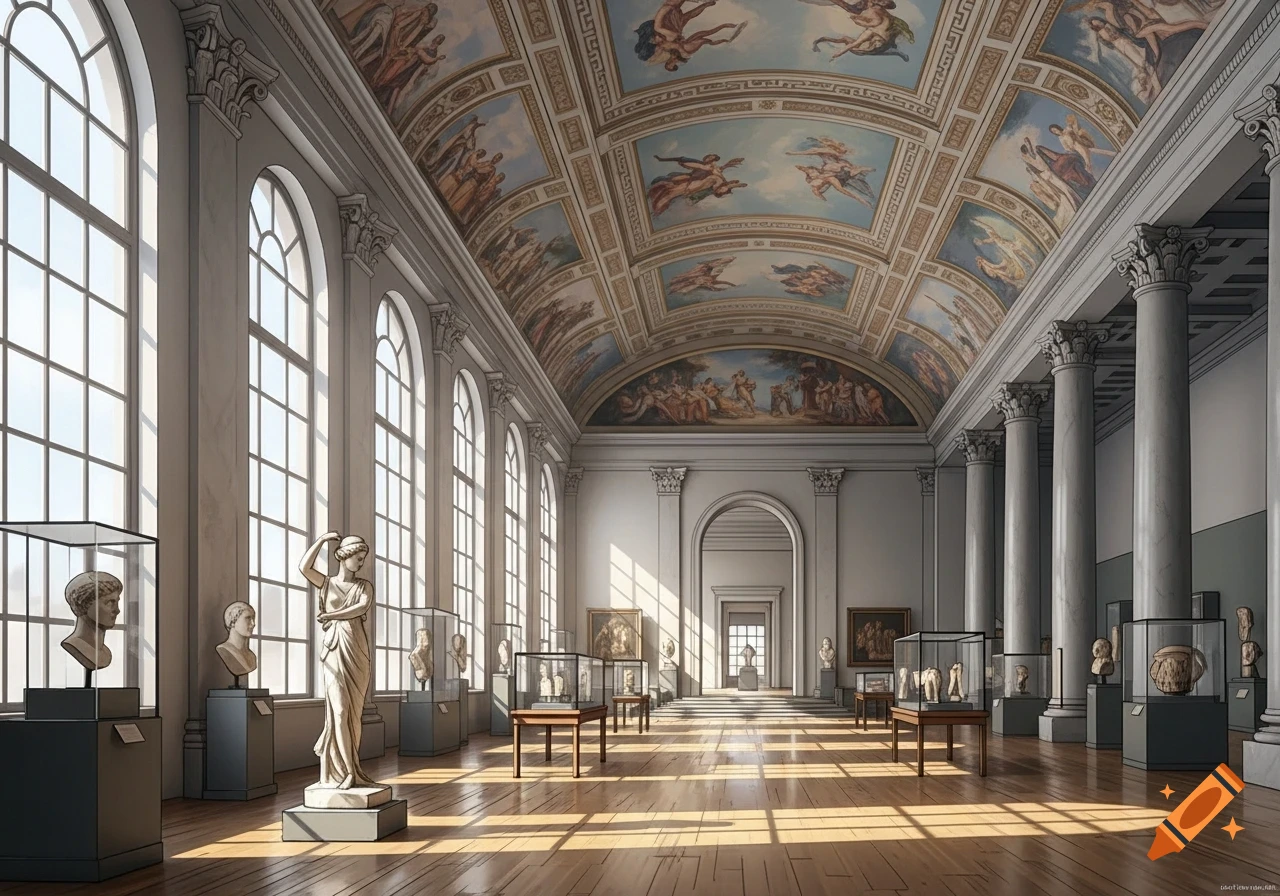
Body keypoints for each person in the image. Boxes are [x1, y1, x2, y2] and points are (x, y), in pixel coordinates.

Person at [299, 532, 377, 790]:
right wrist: (322, 540)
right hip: (333, 649)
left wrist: (332, 615)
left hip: (357, 651)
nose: (361, 563)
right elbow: (304, 567)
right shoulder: (327, 583)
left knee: (354, 715)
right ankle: (348, 772)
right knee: (340, 711)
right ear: (344, 556)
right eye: (358, 558)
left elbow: (361, 607)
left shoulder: (364, 586)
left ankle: (353, 768)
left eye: (363, 559)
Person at [634, 0, 747, 72]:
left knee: (686, 16)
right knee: (695, 24)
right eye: (671, 65)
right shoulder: (669, 43)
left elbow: (659, 25)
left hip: (671, 23)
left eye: (669, 64)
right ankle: (727, 30)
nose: (658, 43)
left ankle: (724, 28)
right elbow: (691, 25)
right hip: (675, 26)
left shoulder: (661, 33)